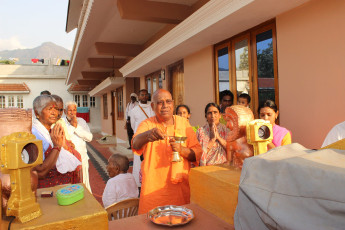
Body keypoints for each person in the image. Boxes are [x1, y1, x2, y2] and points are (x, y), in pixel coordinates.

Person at [132, 89, 202, 214]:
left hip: (180, 191)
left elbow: (196, 154)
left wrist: (181, 150)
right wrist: (148, 135)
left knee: (180, 222)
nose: (165, 106)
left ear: (173, 104)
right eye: (160, 102)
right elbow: (135, 143)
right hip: (153, 191)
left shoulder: (184, 123)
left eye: (168, 101)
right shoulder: (147, 124)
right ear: (153, 106)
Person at [31, 95, 82, 188]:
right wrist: (57, 147)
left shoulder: (51, 131)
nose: (55, 113)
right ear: (36, 112)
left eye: (57, 109)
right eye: (50, 108)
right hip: (46, 192)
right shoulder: (34, 135)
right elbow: (40, 172)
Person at [128, 89, 155, 192]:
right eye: (142, 95)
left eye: (146, 95)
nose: (144, 97)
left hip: (152, 138)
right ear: (139, 97)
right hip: (139, 139)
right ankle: (139, 183)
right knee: (138, 162)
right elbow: (132, 125)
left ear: (148, 96)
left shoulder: (152, 108)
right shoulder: (134, 110)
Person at [63, 101, 93, 193]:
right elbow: (66, 137)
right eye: (70, 110)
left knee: (84, 181)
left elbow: (89, 137)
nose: (72, 113)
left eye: (74, 110)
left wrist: (76, 127)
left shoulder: (81, 121)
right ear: (65, 111)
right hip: (68, 159)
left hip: (82, 157)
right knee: (71, 185)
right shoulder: (61, 122)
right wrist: (72, 126)